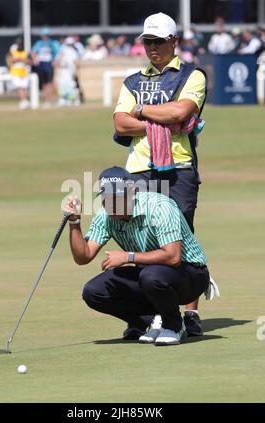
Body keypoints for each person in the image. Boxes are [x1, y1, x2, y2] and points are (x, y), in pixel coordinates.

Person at [113, 12, 208, 337]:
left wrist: (140, 110)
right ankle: (153, 313)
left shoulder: (193, 75)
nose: (152, 47)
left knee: (181, 237)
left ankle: (190, 313)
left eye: (158, 41)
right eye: (147, 42)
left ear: (174, 41)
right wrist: (160, 119)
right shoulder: (133, 81)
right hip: (139, 169)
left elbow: (182, 112)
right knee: (141, 237)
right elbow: (120, 123)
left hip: (179, 167)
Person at [63, 166, 210, 345]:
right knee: (94, 291)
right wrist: (75, 222)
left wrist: (128, 257)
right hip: (152, 278)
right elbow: (83, 257)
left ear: (132, 192)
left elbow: (173, 256)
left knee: (151, 276)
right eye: (107, 199)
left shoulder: (159, 206)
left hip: (191, 275)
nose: (112, 204)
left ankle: (174, 326)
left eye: (117, 198)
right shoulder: (106, 216)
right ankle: (149, 322)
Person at [32, 27, 60, 108]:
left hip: (49, 64)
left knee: (50, 83)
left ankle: (56, 98)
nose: (44, 37)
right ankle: (47, 100)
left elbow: (58, 53)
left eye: (46, 35)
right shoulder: (39, 43)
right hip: (41, 64)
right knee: (44, 84)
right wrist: (35, 59)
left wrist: (56, 61)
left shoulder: (53, 43)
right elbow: (33, 52)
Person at [9, 38, 31, 109]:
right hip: (15, 72)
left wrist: (21, 59)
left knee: (24, 88)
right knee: (19, 88)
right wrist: (21, 59)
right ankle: (24, 101)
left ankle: (23, 101)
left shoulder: (25, 52)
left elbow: (29, 61)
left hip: (24, 72)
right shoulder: (13, 51)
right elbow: (13, 59)